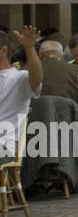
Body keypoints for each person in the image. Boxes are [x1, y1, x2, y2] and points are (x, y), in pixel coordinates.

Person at [0, 27, 43, 158]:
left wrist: (29, 49)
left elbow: (36, 78)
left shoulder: (19, 78)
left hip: (5, 147)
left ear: (3, 51)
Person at [36, 40, 78, 107]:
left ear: (40, 55)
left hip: (36, 115)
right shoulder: (76, 70)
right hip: (71, 115)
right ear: (62, 56)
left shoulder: (27, 70)